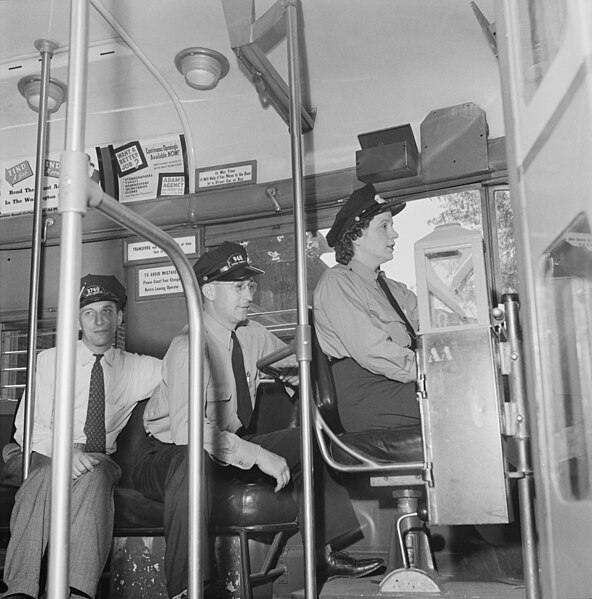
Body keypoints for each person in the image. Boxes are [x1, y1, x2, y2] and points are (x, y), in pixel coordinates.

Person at [133, 241, 385, 599]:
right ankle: (188, 589)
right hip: (165, 455)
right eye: (238, 287)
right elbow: (188, 431)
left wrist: (307, 387)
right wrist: (258, 455)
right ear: (207, 291)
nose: (248, 295)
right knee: (193, 462)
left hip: (225, 446)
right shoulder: (188, 347)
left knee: (309, 440)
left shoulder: (252, 334)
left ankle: (325, 554)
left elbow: (291, 368)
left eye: (250, 285)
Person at [2, 275, 162, 599]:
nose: (98, 320)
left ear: (119, 317)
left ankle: (75, 591)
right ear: (78, 319)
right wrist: (65, 455)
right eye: (89, 312)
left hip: (96, 458)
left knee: (97, 473)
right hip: (40, 451)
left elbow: (183, 371)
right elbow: (29, 429)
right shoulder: (49, 361)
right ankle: (19, 591)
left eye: (107, 310)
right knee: (48, 473)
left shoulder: (138, 368)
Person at [313, 183, 420, 433]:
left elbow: (435, 323)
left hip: (401, 384)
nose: (394, 235)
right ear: (357, 235)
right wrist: (430, 372)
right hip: (370, 396)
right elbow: (371, 350)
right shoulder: (337, 282)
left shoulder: (396, 289)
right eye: (384, 226)